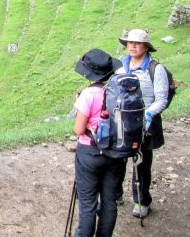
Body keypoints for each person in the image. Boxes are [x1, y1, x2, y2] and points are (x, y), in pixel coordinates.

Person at [72, 48, 127, 237]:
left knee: (88, 202)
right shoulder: (121, 91)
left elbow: (79, 129)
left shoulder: (89, 94)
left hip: (90, 152)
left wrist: (79, 105)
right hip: (116, 153)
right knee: (110, 201)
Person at [115, 29, 169, 218]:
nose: (133, 46)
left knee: (142, 164)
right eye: (130, 43)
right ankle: (116, 194)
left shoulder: (156, 69)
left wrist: (146, 115)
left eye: (137, 43)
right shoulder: (121, 65)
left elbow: (161, 99)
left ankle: (141, 200)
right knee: (117, 158)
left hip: (144, 124)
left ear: (146, 47)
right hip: (121, 120)